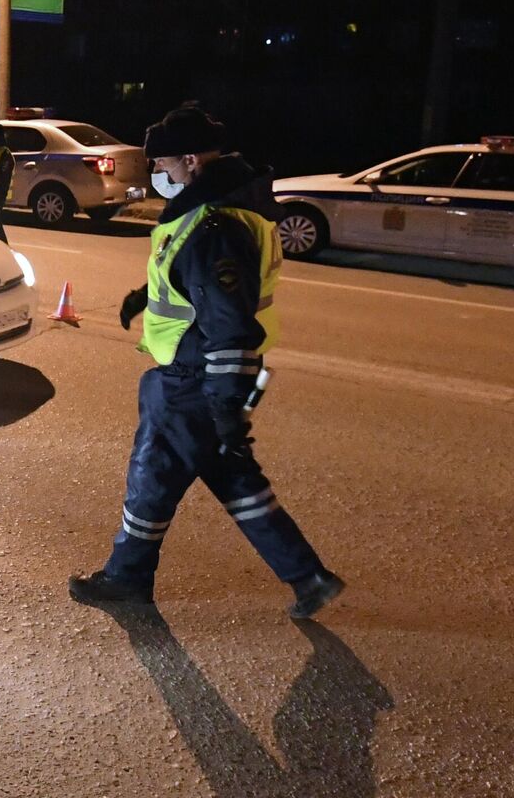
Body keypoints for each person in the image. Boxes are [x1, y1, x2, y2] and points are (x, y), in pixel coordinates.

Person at [69, 104, 345, 620]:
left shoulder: (214, 224)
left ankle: (127, 577)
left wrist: (224, 403)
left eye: (166, 165)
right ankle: (308, 577)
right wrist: (142, 297)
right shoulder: (222, 208)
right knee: (235, 481)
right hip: (197, 378)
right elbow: (193, 287)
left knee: (152, 479)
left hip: (191, 382)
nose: (160, 176)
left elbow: (228, 322)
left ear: (192, 160)